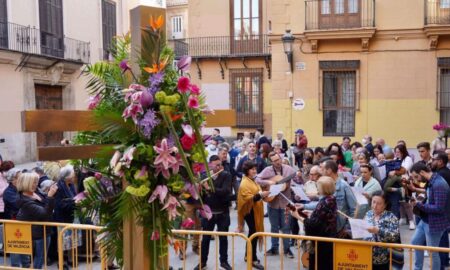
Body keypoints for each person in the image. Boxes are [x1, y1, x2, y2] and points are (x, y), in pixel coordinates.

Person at [290, 176, 337, 270]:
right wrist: (309, 214)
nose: (317, 188)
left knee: (319, 264)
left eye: (318, 186)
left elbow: (313, 225)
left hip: (322, 242)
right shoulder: (330, 199)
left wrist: (297, 216)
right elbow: (321, 217)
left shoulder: (325, 202)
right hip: (327, 239)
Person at [194, 156, 232, 270]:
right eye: (216, 165)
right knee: (205, 239)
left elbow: (225, 191)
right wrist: (199, 189)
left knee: (223, 239)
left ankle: (224, 262)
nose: (219, 167)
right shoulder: (204, 176)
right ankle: (202, 262)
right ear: (210, 165)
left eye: (220, 164)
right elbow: (201, 197)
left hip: (222, 213)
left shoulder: (226, 175)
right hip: (208, 214)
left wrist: (210, 188)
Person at [300, 160, 356, 237]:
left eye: (322, 169)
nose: (320, 171)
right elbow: (321, 204)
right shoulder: (325, 184)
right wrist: (304, 206)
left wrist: (347, 228)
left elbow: (353, 209)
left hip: (340, 228)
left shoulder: (344, 186)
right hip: (328, 228)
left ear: (329, 171)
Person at [410, 162, 450, 270]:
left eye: (416, 176)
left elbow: (439, 208)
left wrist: (419, 204)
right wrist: (420, 199)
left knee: (432, 252)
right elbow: (429, 196)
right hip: (425, 220)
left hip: (435, 224)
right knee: (415, 242)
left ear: (422, 172)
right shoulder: (431, 181)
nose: (416, 180)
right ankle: (417, 268)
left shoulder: (439, 184)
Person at [256, 152, 295, 258]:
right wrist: (269, 182)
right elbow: (257, 179)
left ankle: (287, 249)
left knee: (286, 227)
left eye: (278, 159)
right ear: (271, 162)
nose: (278, 162)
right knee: (274, 227)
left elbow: (295, 180)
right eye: (275, 161)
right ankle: (274, 248)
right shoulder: (267, 170)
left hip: (285, 204)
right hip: (272, 203)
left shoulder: (289, 169)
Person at [16, 172, 58, 269]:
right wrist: (50, 196)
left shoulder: (34, 192)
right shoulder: (24, 200)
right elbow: (44, 214)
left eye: (36, 182)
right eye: (34, 182)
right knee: (39, 257)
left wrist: (50, 194)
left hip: (44, 229)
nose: (36, 184)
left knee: (41, 256)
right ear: (26, 183)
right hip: (38, 232)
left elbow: (46, 206)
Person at [237, 161, 267, 270]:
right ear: (247, 171)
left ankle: (248, 255)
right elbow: (249, 199)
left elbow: (255, 194)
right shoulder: (244, 182)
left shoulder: (251, 180)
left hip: (254, 210)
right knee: (253, 232)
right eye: (252, 169)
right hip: (249, 211)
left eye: (255, 169)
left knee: (253, 233)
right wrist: (260, 195)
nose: (254, 171)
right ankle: (252, 258)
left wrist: (262, 194)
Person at [363, 191, 401, 270]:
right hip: (367, 257)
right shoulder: (368, 214)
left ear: (385, 205)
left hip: (384, 259)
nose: (375, 206)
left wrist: (378, 231)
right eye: (373, 202)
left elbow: (395, 236)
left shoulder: (391, 217)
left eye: (379, 203)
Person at [54, 165, 79, 269]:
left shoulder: (71, 185)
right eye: (73, 174)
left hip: (72, 216)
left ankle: (70, 259)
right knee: (62, 240)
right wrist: (74, 203)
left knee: (71, 240)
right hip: (62, 217)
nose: (74, 176)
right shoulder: (58, 187)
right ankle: (61, 262)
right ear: (67, 176)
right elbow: (60, 204)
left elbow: (74, 197)